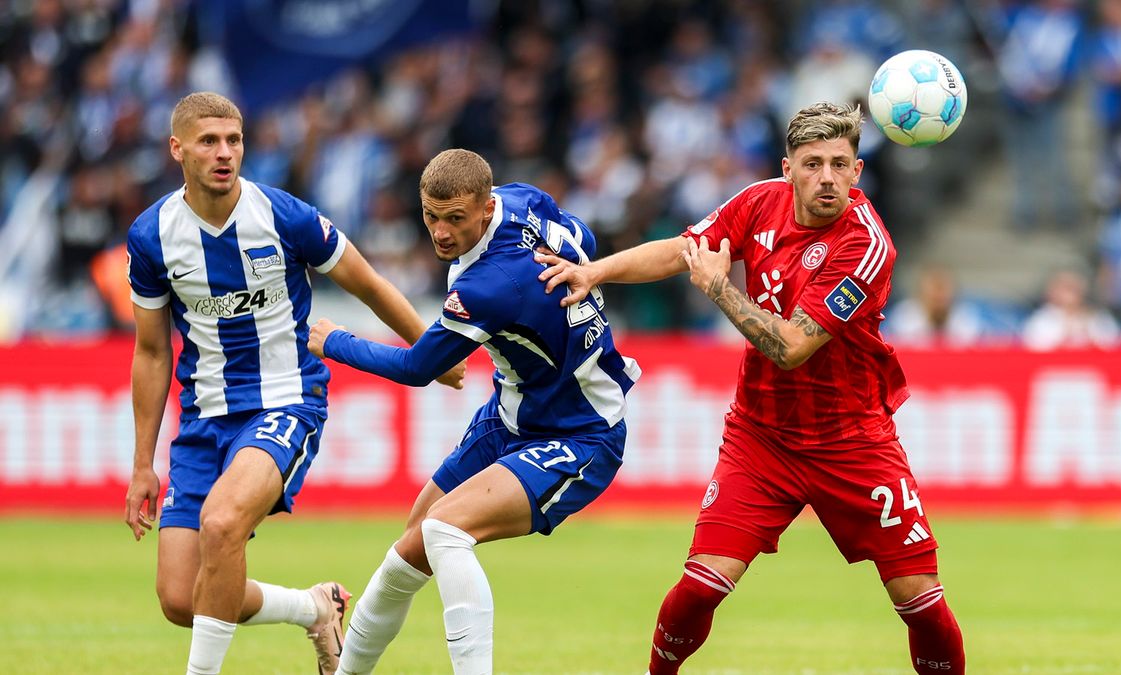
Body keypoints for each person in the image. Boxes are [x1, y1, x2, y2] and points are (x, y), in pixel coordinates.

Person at [538, 102, 966, 674]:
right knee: (699, 587)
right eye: (813, 164)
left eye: (841, 164)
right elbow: (684, 249)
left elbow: (790, 348)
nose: (828, 178)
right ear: (787, 168)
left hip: (853, 440)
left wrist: (719, 290)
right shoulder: (759, 200)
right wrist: (595, 271)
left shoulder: (866, 246)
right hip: (761, 438)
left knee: (921, 603)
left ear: (858, 172)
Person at [122, 92, 464, 675]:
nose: (224, 153)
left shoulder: (284, 217)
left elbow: (369, 282)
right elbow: (152, 351)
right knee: (183, 599)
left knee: (223, 522)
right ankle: (313, 607)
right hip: (203, 418)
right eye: (208, 141)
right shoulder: (151, 236)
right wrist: (141, 463)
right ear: (177, 148)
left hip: (285, 403)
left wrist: (439, 351)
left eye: (233, 140)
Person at [305, 148, 640, 675]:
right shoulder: (523, 200)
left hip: (581, 435)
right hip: (512, 411)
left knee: (444, 532)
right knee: (409, 550)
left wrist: (335, 342)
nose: (440, 232)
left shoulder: (488, 285)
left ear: (485, 209)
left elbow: (419, 368)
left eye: (455, 219)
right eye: (431, 216)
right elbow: (583, 239)